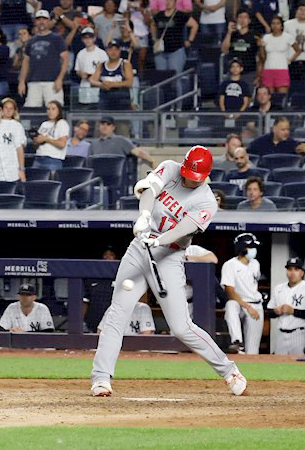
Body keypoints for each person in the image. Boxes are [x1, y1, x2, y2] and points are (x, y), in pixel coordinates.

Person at [90, 146, 248, 398]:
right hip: (139, 249)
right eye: (188, 174)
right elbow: (149, 189)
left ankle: (229, 371)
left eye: (195, 178)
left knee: (181, 327)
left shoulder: (207, 200)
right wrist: (143, 216)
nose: (189, 180)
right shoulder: (171, 169)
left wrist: (161, 240)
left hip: (169, 255)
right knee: (117, 313)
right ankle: (100, 378)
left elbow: (184, 228)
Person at [221, 234, 264, 355]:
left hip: (256, 306)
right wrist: (247, 307)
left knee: (252, 351)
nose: (254, 249)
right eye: (251, 247)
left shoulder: (255, 263)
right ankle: (237, 341)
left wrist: (252, 307)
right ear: (242, 248)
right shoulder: (230, 265)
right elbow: (229, 291)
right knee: (231, 304)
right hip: (240, 304)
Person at [267, 257, 305, 355]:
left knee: (301, 367)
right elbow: (269, 312)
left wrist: (294, 311)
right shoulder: (279, 288)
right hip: (281, 334)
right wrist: (275, 312)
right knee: (278, 366)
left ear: (302, 272)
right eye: (289, 269)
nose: (292, 273)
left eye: (296, 269)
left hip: (300, 334)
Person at [18, 10, 69, 107]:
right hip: (33, 82)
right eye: (39, 19)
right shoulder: (31, 41)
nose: (41, 22)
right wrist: (21, 81)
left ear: (49, 21)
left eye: (44, 19)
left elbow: (65, 59)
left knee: (55, 110)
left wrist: (60, 79)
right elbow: (25, 62)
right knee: (31, 111)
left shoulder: (56, 38)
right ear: (35, 22)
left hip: (52, 82)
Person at [258, 15, 298, 98]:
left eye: (277, 23)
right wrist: (261, 47)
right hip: (268, 69)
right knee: (269, 97)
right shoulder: (266, 37)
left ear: (281, 25)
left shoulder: (287, 37)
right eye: (273, 23)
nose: (275, 26)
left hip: (282, 70)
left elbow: (298, 50)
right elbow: (262, 57)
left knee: (281, 97)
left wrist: (291, 59)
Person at [90, 115, 155, 165]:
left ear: (113, 127)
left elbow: (138, 152)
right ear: (99, 127)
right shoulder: (93, 144)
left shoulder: (121, 140)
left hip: (117, 175)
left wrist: (152, 161)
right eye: (102, 124)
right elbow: (89, 162)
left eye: (108, 124)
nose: (105, 126)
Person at [90, 39, 133, 111]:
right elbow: (92, 80)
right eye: (111, 49)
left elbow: (129, 82)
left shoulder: (125, 64)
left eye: (116, 49)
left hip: (121, 100)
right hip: (105, 99)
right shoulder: (101, 65)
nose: (113, 52)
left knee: (121, 121)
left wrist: (112, 84)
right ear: (107, 51)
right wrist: (101, 85)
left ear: (119, 51)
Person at [32, 100, 70, 175]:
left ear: (59, 110)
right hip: (38, 158)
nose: (50, 111)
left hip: (53, 160)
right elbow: (36, 145)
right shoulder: (44, 124)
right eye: (48, 109)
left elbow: (62, 144)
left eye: (53, 109)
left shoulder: (62, 123)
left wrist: (46, 139)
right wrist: (37, 141)